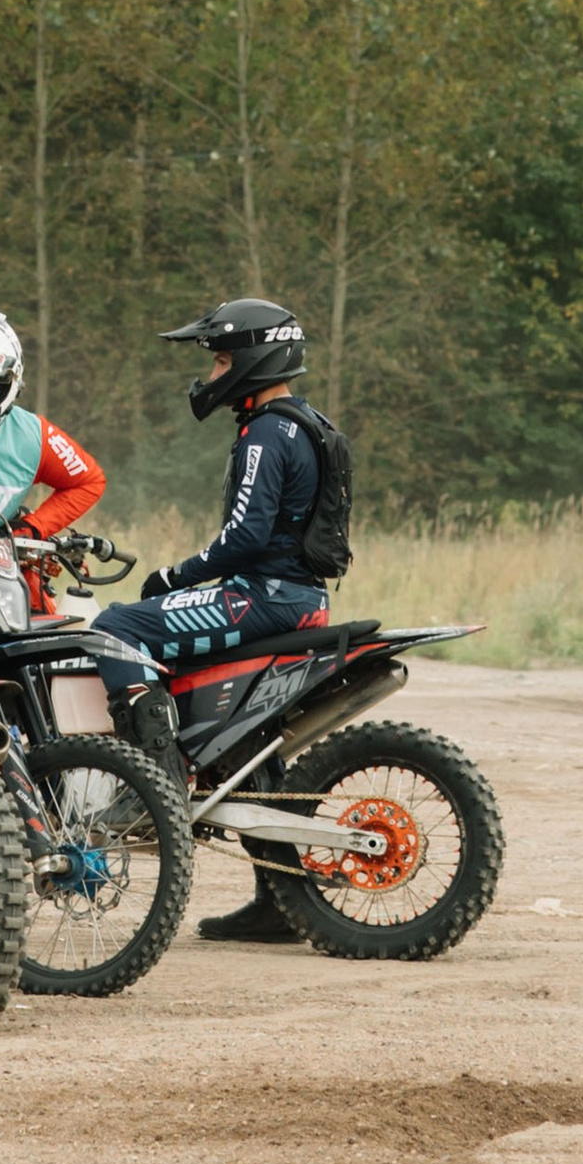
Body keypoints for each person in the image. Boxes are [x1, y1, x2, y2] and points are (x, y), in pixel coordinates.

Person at [94, 294, 352, 946]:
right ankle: (279, 899)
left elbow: (242, 538)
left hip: (260, 595)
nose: (211, 376)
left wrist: (172, 576)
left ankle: (150, 790)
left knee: (114, 624)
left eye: (218, 362)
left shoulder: (267, 432)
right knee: (243, 735)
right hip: (303, 597)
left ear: (251, 361)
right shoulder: (309, 423)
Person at [0, 305, 108, 565]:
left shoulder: (33, 436)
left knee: (45, 602)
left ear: (4, 387)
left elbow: (88, 482)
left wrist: (29, 529)